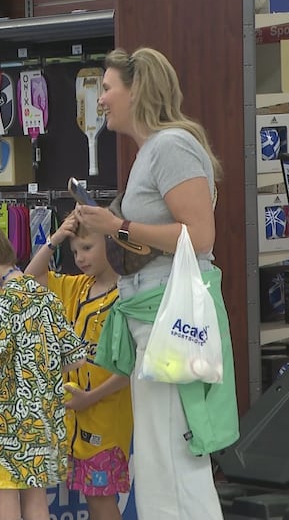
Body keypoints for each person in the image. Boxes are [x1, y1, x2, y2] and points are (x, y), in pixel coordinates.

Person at [74, 47, 238, 520]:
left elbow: (199, 236)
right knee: (158, 460)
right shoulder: (153, 151)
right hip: (154, 318)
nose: (100, 100)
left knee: (172, 459)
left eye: (107, 88)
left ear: (136, 89)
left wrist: (118, 227)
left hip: (172, 321)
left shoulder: (170, 147)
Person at [0, 221, 86, 520]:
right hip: (43, 423)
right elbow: (75, 359)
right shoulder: (45, 296)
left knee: (4, 510)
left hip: (2, 430)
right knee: (37, 505)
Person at [25, 214, 132, 520]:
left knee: (101, 501)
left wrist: (91, 397)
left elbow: (131, 367)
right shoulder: (76, 287)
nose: (80, 258)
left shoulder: (127, 297)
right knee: (90, 498)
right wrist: (55, 239)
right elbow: (27, 279)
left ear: (110, 243)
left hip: (106, 421)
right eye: (74, 252)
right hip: (74, 422)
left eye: (87, 248)